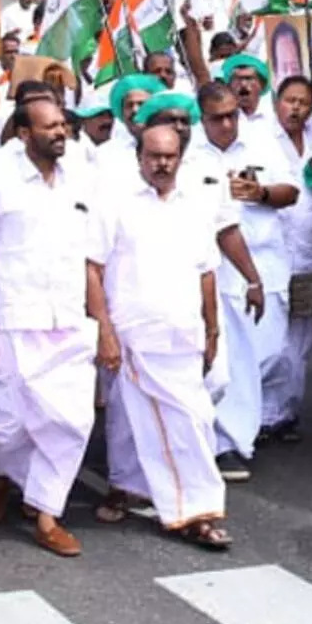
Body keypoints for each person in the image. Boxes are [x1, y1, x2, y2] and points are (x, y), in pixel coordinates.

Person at [0, 98, 95, 557]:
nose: (61, 133)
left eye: (63, 125)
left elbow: (92, 255)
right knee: (7, 424)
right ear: (22, 133)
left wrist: (104, 322)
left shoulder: (79, 172)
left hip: (70, 318)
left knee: (73, 419)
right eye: (50, 127)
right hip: (16, 320)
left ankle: (46, 514)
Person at [85, 124, 233, 549]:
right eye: (153, 156)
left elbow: (207, 272)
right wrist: (105, 333)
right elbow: (92, 269)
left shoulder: (194, 207)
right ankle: (164, 500)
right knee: (129, 420)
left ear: (180, 158)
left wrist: (212, 328)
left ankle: (195, 508)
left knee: (193, 420)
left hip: (182, 332)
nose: (162, 163)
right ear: (139, 159)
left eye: (169, 156)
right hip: (133, 333)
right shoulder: (115, 205)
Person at [192, 82, 296, 481]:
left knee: (268, 353)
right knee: (222, 362)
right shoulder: (190, 153)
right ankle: (225, 443)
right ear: (203, 119)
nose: (226, 124)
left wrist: (262, 192)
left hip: (262, 264)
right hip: (212, 268)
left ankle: (241, 427)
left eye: (232, 115)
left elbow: (292, 192)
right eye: (217, 118)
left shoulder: (262, 142)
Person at [273, 76, 312, 440]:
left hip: (310, 242)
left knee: (300, 335)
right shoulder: (264, 138)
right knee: (272, 336)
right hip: (275, 245)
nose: (296, 108)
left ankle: (287, 412)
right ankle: (265, 412)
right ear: (278, 102)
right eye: (290, 100)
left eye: (303, 103)